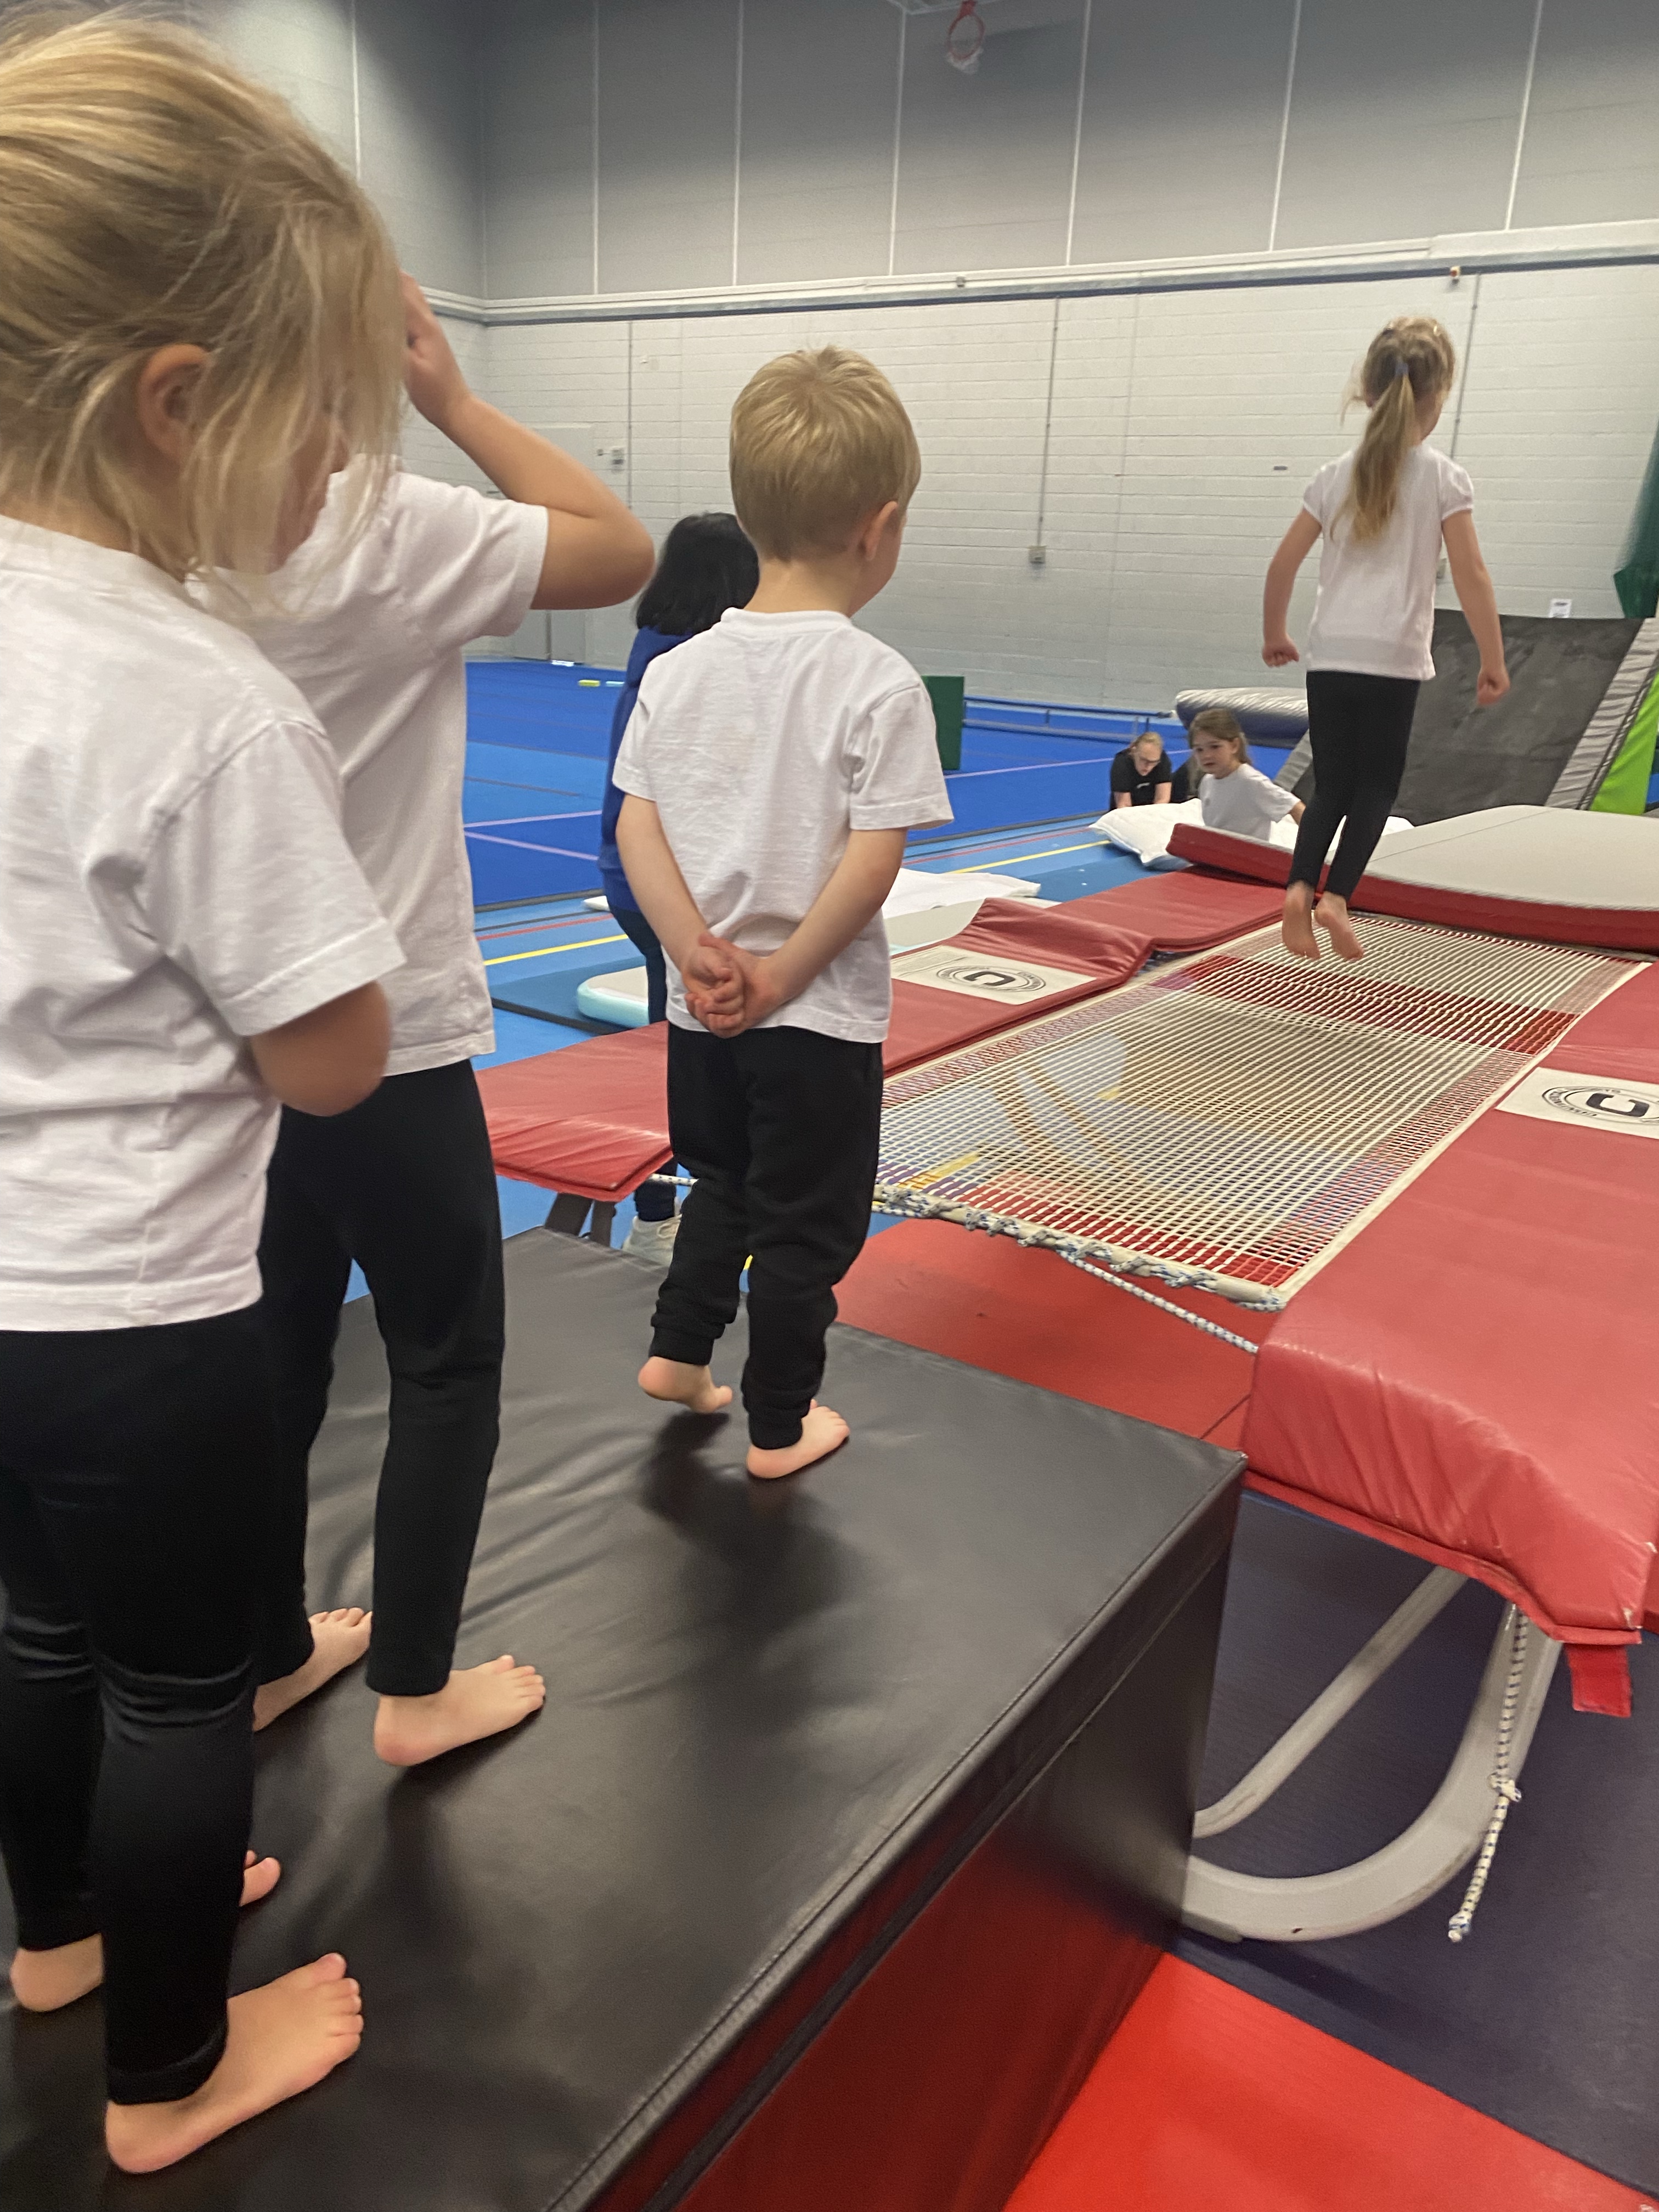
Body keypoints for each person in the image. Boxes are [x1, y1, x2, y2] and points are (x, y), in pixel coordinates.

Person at [0, 18, 407, 2169]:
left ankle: (57, 1937)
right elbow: (333, 1058)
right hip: (137, 1312)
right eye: (320, 419)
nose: (336, 467)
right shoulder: (195, 698)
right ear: (176, 404)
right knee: (175, 1686)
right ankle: (170, 2072)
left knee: (29, 1625)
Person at [234, 281, 654, 1766]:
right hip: (384, 1027)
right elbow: (618, 546)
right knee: (446, 1357)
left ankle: (267, 1649)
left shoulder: (156, 533)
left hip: (235, 1043)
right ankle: (415, 1689)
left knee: (279, 1352)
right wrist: (455, 401)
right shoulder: (376, 525)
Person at [614, 348, 950, 1480]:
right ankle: (777, 1422)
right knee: (805, 1225)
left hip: (701, 1008)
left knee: (724, 1180)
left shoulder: (676, 670)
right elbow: (871, 860)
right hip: (813, 1018)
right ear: (880, 528)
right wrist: (783, 973)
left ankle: (678, 1351)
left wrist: (694, 954)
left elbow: (638, 832)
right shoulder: (877, 681)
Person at [1263, 314, 1509, 960]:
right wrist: (1493, 659)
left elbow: (1282, 565)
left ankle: (1297, 890)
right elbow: (1473, 574)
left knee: (1331, 786)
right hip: (1393, 661)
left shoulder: (1331, 477)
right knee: (1376, 789)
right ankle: (1337, 899)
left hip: (1331, 656)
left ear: (1368, 393)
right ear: (1438, 398)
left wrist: (1275, 633)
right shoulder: (1444, 478)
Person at [597, 513, 760, 1265]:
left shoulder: (656, 646)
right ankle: (664, 1212)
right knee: (692, 1056)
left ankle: (674, 1206)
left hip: (635, 876)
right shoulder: (695, 663)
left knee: (678, 1045)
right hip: (666, 882)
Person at [1190, 707, 1304, 842]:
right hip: (1218, 849)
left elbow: (1296, 807)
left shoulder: (1250, 781)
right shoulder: (1207, 781)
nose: (1207, 755)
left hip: (1244, 853)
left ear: (1234, 746)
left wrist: (1311, 846)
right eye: (1199, 750)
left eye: (1215, 747)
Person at [1110, 729, 1174, 808]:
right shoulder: (1121, 763)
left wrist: (1152, 814)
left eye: (1153, 762)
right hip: (1126, 812)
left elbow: (1162, 799)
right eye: (1144, 760)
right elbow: (1124, 805)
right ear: (1134, 751)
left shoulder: (1163, 760)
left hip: (1151, 810)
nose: (1148, 767)